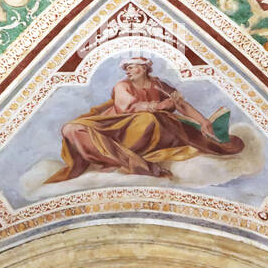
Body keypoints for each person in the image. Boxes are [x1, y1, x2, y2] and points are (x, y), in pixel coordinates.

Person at [45, 57, 243, 183]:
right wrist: (159, 106)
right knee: (71, 129)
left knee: (150, 120)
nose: (128, 70)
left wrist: (203, 122)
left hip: (157, 130)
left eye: (132, 67)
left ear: (144, 68)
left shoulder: (159, 85)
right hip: (118, 129)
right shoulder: (122, 86)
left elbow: (180, 104)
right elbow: (127, 108)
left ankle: (123, 158)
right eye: (127, 68)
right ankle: (126, 159)